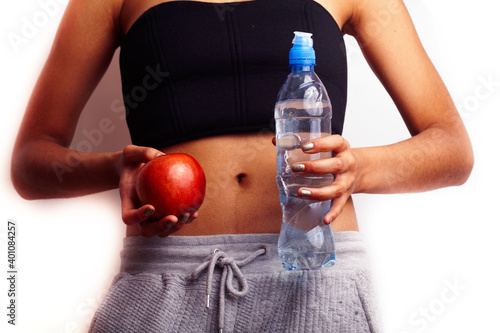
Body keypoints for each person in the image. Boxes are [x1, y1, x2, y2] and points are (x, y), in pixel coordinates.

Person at [11, 0, 473, 332]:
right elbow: (32, 161)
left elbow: (452, 147)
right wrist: (115, 168)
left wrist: (359, 169)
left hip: (313, 279)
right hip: (166, 277)